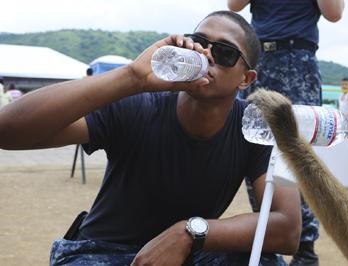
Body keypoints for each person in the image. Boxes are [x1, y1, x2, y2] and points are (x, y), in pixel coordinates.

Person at [0, 10, 301, 266]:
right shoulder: (140, 103)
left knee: (263, 260)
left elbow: (287, 230)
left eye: (225, 53)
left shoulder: (256, 128)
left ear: (245, 79)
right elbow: (8, 130)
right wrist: (132, 78)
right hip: (103, 251)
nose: (206, 54)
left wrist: (190, 232)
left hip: (188, 250)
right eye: (198, 43)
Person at [228, 1, 345, 265]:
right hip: (258, 58)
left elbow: (334, 14)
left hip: (297, 58)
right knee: (255, 143)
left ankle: (305, 248)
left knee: (299, 150)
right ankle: (269, 234)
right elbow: (233, 5)